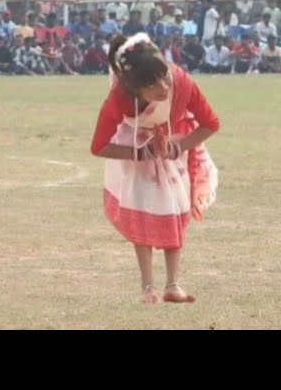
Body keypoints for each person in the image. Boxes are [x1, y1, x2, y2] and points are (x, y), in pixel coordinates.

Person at [91, 33, 220, 304]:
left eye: (163, 76)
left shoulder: (181, 82)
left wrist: (181, 145)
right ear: (134, 88)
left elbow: (210, 123)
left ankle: (173, 283)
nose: (163, 87)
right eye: (152, 85)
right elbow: (99, 146)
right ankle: (147, 286)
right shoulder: (119, 99)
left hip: (174, 144)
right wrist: (138, 153)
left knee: (175, 209)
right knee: (143, 209)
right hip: (137, 152)